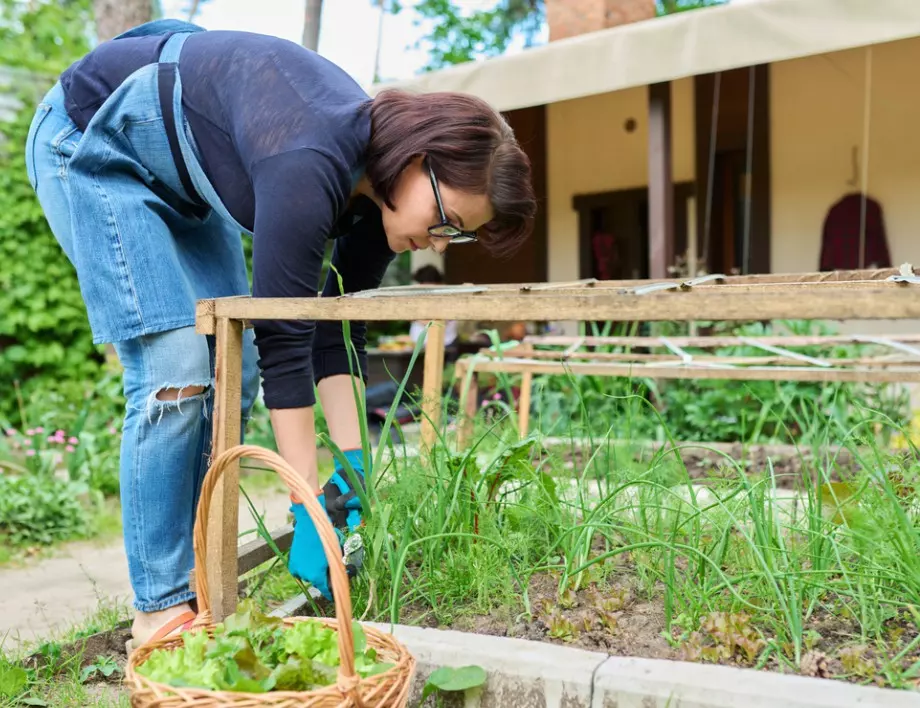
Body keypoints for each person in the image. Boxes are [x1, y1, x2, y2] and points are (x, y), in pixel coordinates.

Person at [24, 19, 536, 649]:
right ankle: (159, 608)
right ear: (419, 160)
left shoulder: (381, 199)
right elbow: (284, 335)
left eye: (455, 236)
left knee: (228, 376)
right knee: (177, 369)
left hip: (185, 186)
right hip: (90, 143)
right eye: (446, 221)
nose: (436, 242)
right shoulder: (311, 160)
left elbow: (332, 334)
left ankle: (193, 583)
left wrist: (350, 472)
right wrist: (307, 506)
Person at [408, 265, 458, 348]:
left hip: (444, 344)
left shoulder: (447, 294)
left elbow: (437, 321)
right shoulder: (419, 294)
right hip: (419, 344)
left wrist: (418, 317)